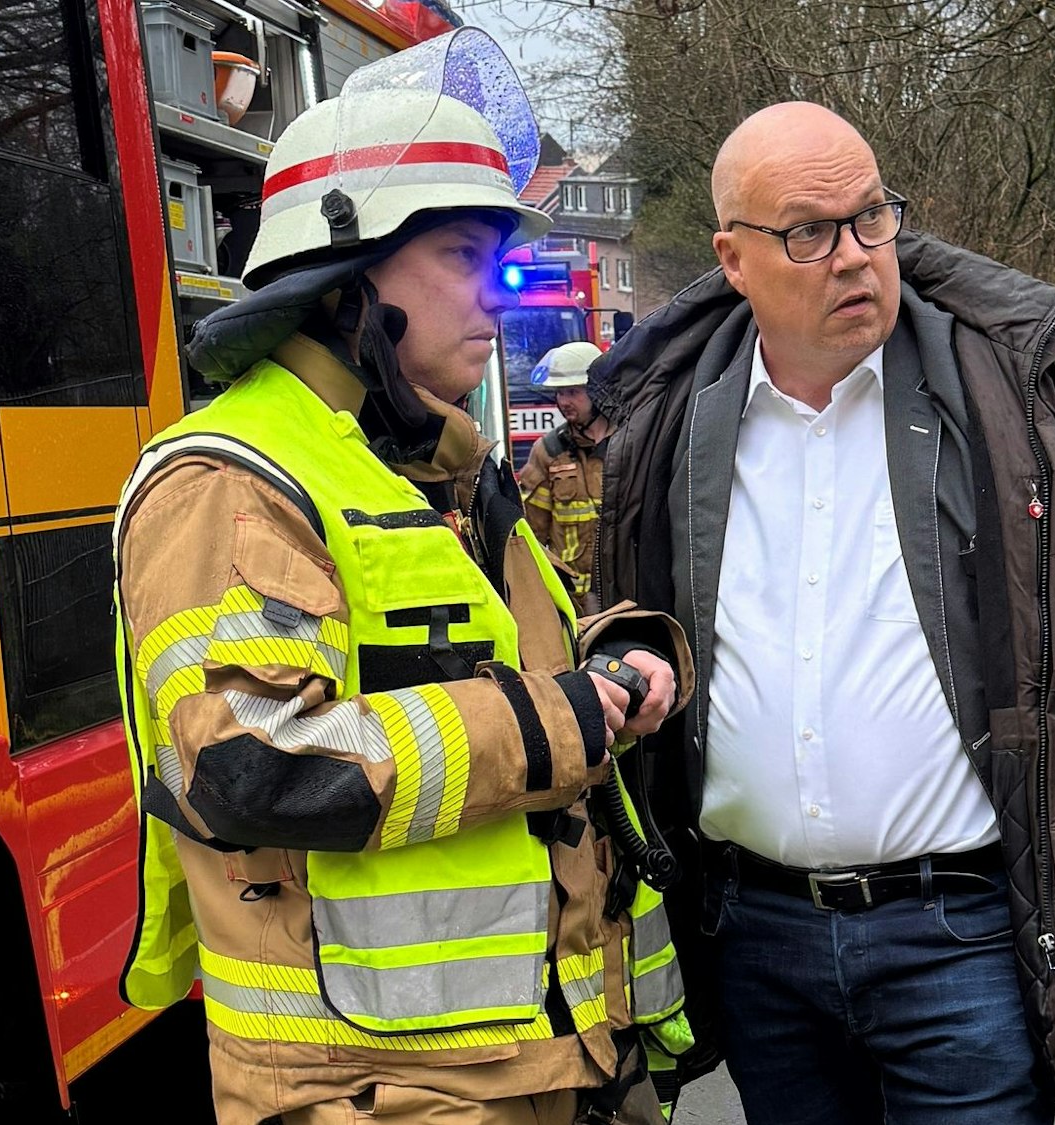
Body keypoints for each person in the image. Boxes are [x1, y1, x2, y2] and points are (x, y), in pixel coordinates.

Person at [112, 30, 696, 1125]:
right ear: (345, 278)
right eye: (462, 262)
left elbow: (514, 665)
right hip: (375, 1091)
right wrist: (562, 720)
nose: (494, 302)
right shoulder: (231, 481)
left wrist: (620, 659)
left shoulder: (442, 471)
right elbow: (258, 765)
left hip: (544, 1060)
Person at [587, 101, 1055, 1123]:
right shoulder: (668, 415)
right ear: (731, 259)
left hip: (962, 937)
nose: (853, 256)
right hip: (753, 937)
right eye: (807, 232)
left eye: (870, 217)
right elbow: (624, 615)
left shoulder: (1022, 388)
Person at [519, 340, 613, 611]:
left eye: (573, 392)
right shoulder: (549, 451)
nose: (563, 402)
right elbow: (532, 533)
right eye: (559, 393)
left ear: (597, 392)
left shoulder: (630, 443)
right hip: (575, 603)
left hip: (627, 593)